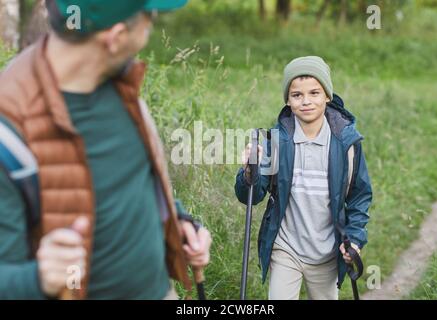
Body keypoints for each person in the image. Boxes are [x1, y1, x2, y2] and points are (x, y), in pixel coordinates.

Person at [0, 0, 211, 300]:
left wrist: (178, 219)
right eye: (149, 16)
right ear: (116, 37)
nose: (151, 27)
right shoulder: (9, 131)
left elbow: (129, 175)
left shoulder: (119, 80)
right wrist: (39, 280)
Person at [235, 56, 372, 300]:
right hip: (286, 248)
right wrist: (249, 171)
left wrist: (355, 237)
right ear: (288, 100)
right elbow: (251, 196)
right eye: (297, 95)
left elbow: (360, 196)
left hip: (328, 254)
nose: (306, 101)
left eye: (314, 93)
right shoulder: (273, 142)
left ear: (327, 96)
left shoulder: (346, 143)